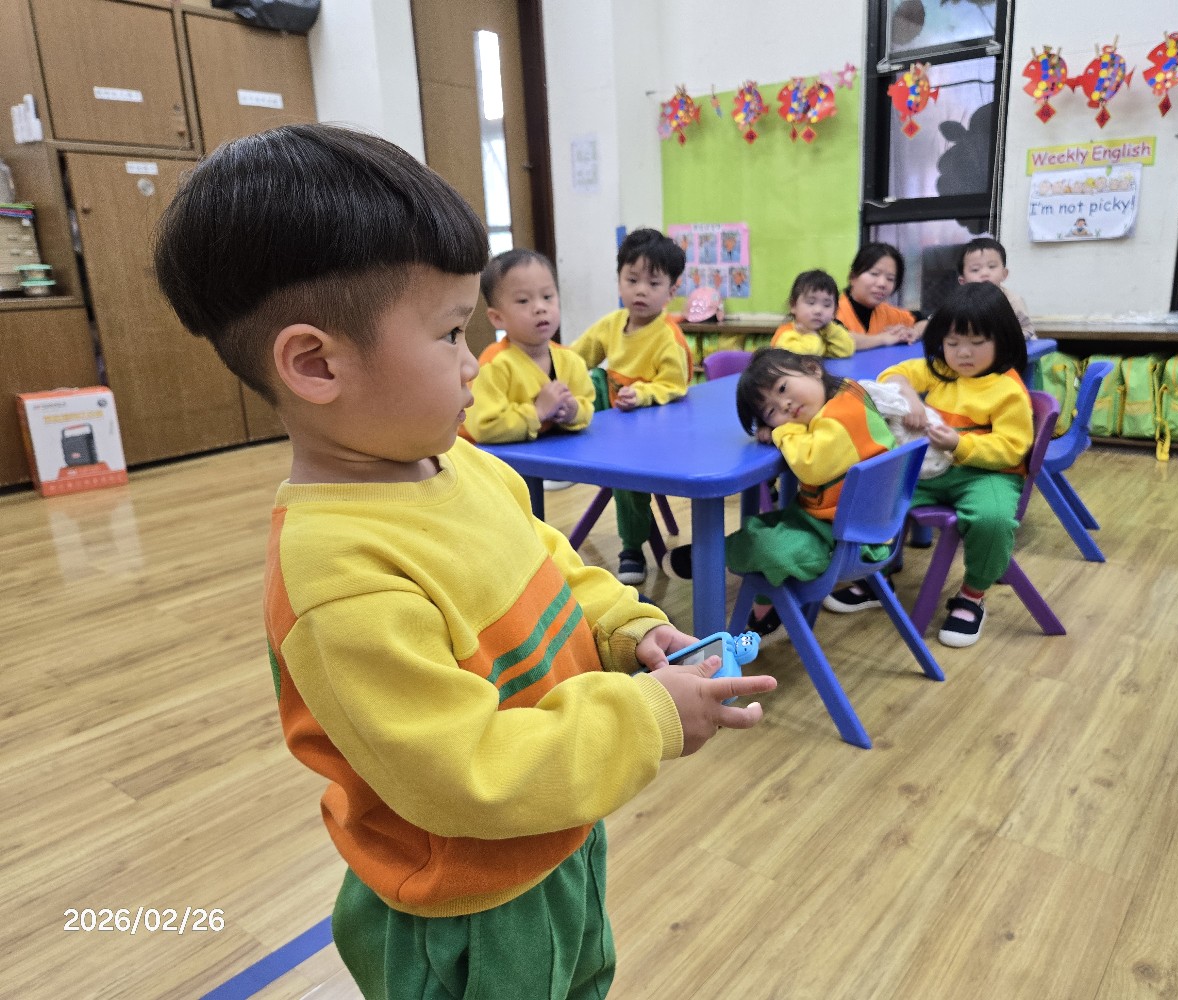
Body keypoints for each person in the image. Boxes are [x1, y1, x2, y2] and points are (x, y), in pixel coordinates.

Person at [152, 123, 776, 1000]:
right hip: (470, 903)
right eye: (450, 334)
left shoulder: (462, 462)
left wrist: (625, 628)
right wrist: (646, 719)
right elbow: (466, 775)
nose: (474, 366)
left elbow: (551, 562)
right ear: (315, 363)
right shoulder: (340, 579)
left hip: (555, 828)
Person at [666, 348, 898, 635]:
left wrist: (784, 431)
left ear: (812, 368)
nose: (785, 405)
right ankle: (764, 606)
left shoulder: (839, 420)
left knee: (768, 546)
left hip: (849, 542)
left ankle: (708, 559)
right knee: (769, 525)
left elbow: (810, 465)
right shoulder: (847, 393)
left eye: (783, 388)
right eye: (771, 412)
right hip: (855, 525)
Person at [872, 282, 1032, 647]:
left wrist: (960, 444)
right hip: (933, 471)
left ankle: (972, 595)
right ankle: (877, 576)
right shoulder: (942, 370)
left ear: (1002, 340)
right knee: (879, 499)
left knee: (992, 520)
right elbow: (893, 374)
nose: (964, 353)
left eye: (977, 342)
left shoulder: (1008, 390)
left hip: (987, 474)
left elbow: (1011, 448)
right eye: (953, 342)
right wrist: (910, 397)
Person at [570, 227, 692, 585]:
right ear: (619, 280)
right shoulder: (612, 324)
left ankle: (632, 547)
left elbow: (674, 386)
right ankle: (559, 430)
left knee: (624, 476)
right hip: (614, 423)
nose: (641, 290)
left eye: (653, 284)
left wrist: (641, 394)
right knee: (589, 376)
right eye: (632, 279)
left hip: (651, 432)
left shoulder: (668, 338)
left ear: (671, 291)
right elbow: (574, 359)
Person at [461, 248, 595, 444]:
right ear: (497, 318)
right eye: (523, 300)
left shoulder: (571, 360)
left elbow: (587, 404)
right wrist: (538, 412)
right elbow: (484, 427)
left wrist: (573, 411)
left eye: (547, 296)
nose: (540, 308)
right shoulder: (495, 365)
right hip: (491, 458)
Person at [835, 242, 920, 349]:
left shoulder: (888, 313)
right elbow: (837, 340)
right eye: (874, 274)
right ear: (853, 277)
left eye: (890, 279)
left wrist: (914, 332)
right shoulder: (832, 311)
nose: (882, 284)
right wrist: (882, 339)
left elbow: (926, 322)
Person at [957, 236, 1036, 340]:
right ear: (963, 281)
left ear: (1004, 274)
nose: (985, 273)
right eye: (975, 269)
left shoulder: (1013, 301)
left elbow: (1027, 328)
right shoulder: (959, 304)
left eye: (992, 267)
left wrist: (1008, 340)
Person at [769, 269, 855, 358]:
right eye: (811, 303)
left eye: (826, 305)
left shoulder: (825, 332)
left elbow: (846, 351)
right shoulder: (786, 334)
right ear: (793, 306)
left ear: (834, 311)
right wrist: (810, 334)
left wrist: (830, 329)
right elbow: (806, 356)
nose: (818, 311)